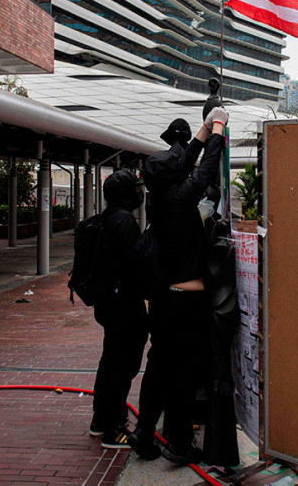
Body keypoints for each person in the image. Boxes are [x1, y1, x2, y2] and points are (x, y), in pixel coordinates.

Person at [128, 106, 229, 464]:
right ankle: (180, 442)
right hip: (185, 297)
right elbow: (204, 167)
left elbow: (185, 163)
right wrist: (217, 128)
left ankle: (143, 431)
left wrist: (203, 127)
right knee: (184, 369)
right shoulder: (181, 197)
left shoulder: (159, 196)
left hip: (161, 299)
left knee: (158, 363)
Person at [89, 168, 148, 449]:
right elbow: (137, 263)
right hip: (124, 305)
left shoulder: (107, 218)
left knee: (110, 361)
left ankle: (101, 421)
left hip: (108, 303)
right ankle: (114, 429)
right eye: (135, 189)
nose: (140, 193)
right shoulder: (124, 222)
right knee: (123, 366)